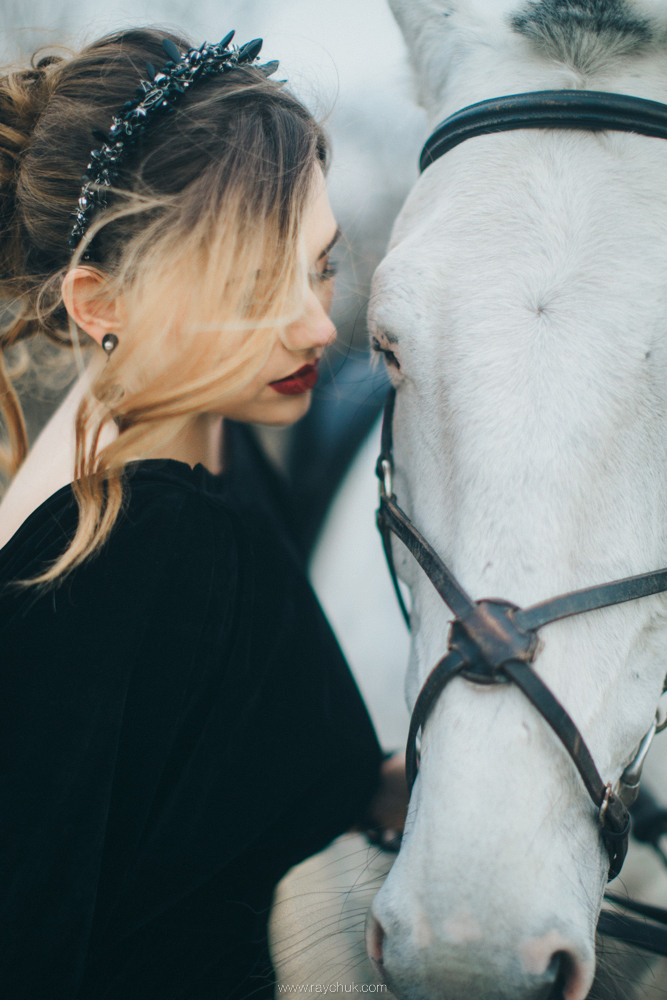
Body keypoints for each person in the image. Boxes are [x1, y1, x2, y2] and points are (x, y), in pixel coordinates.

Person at [0, 28, 406, 1000]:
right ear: (102, 301)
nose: (316, 322)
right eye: (253, 284)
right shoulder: (141, 545)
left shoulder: (192, 487)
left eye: (317, 265)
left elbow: (209, 807)